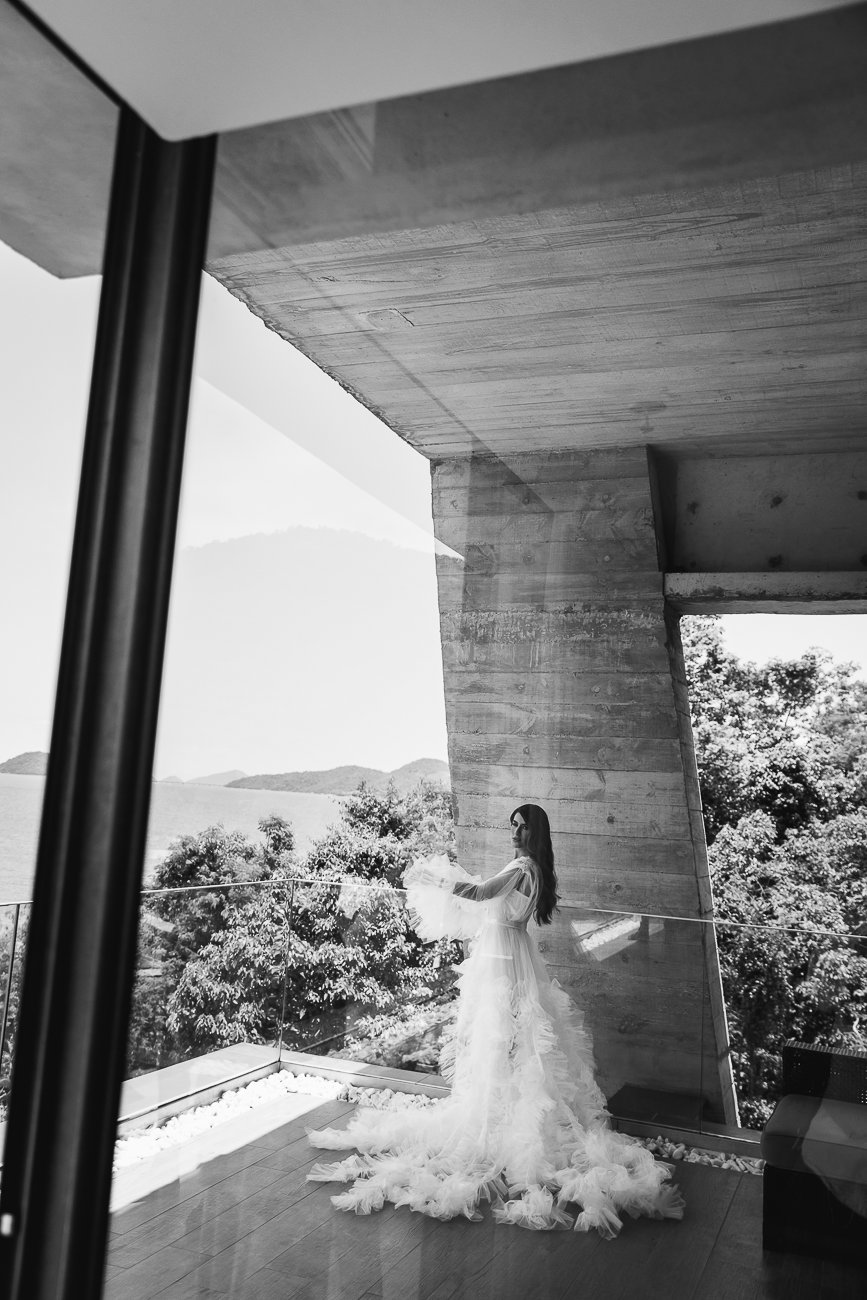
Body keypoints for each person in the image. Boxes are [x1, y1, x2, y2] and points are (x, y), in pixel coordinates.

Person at [307, 803, 685, 1236]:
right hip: (512, 954)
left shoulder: (523, 866)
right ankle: (506, 1114)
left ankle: (504, 1123)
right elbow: (494, 903)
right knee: (515, 1043)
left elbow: (481, 895)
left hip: (503, 961)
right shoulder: (536, 870)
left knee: (507, 1040)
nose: (515, 834)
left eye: (522, 828)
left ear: (534, 833)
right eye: (513, 827)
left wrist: (440, 880)